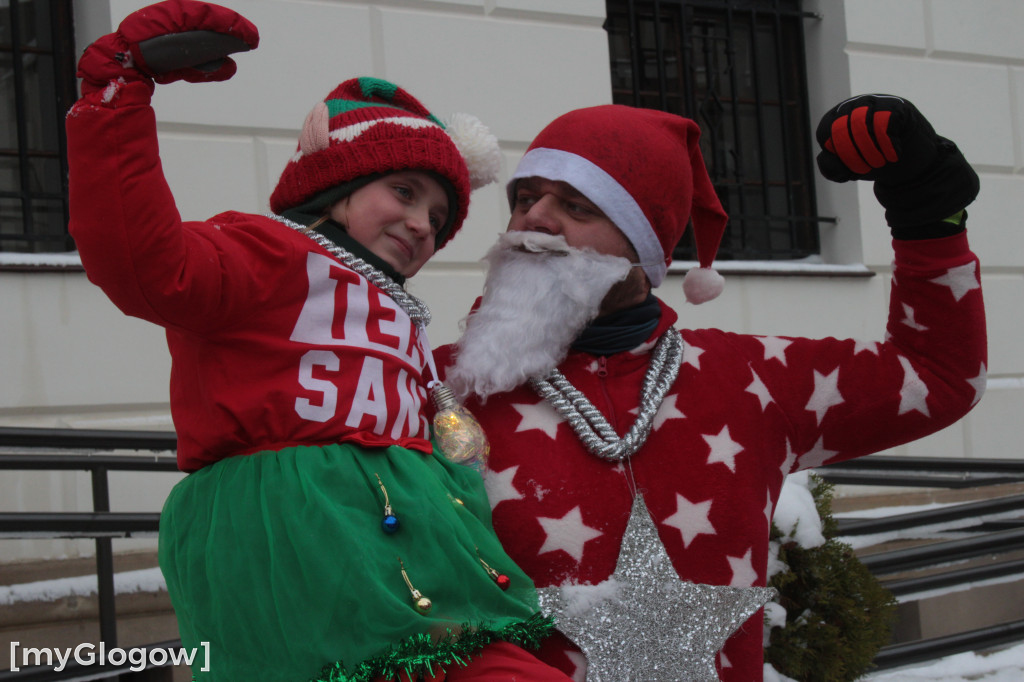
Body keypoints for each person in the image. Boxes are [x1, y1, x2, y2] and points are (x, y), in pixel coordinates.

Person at [66, 2, 573, 680]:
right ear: (335, 187)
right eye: (403, 191)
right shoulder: (270, 254)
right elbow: (144, 263)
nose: (422, 224)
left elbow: (444, 430)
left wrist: (464, 468)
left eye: (439, 216)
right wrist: (119, 95)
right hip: (301, 557)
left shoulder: (402, 316)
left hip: (423, 563)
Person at [435, 96, 986, 681]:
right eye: (525, 197)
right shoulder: (429, 384)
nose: (535, 220)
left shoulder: (749, 379)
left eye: (577, 205)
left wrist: (929, 217)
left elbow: (938, 375)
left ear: (645, 246)